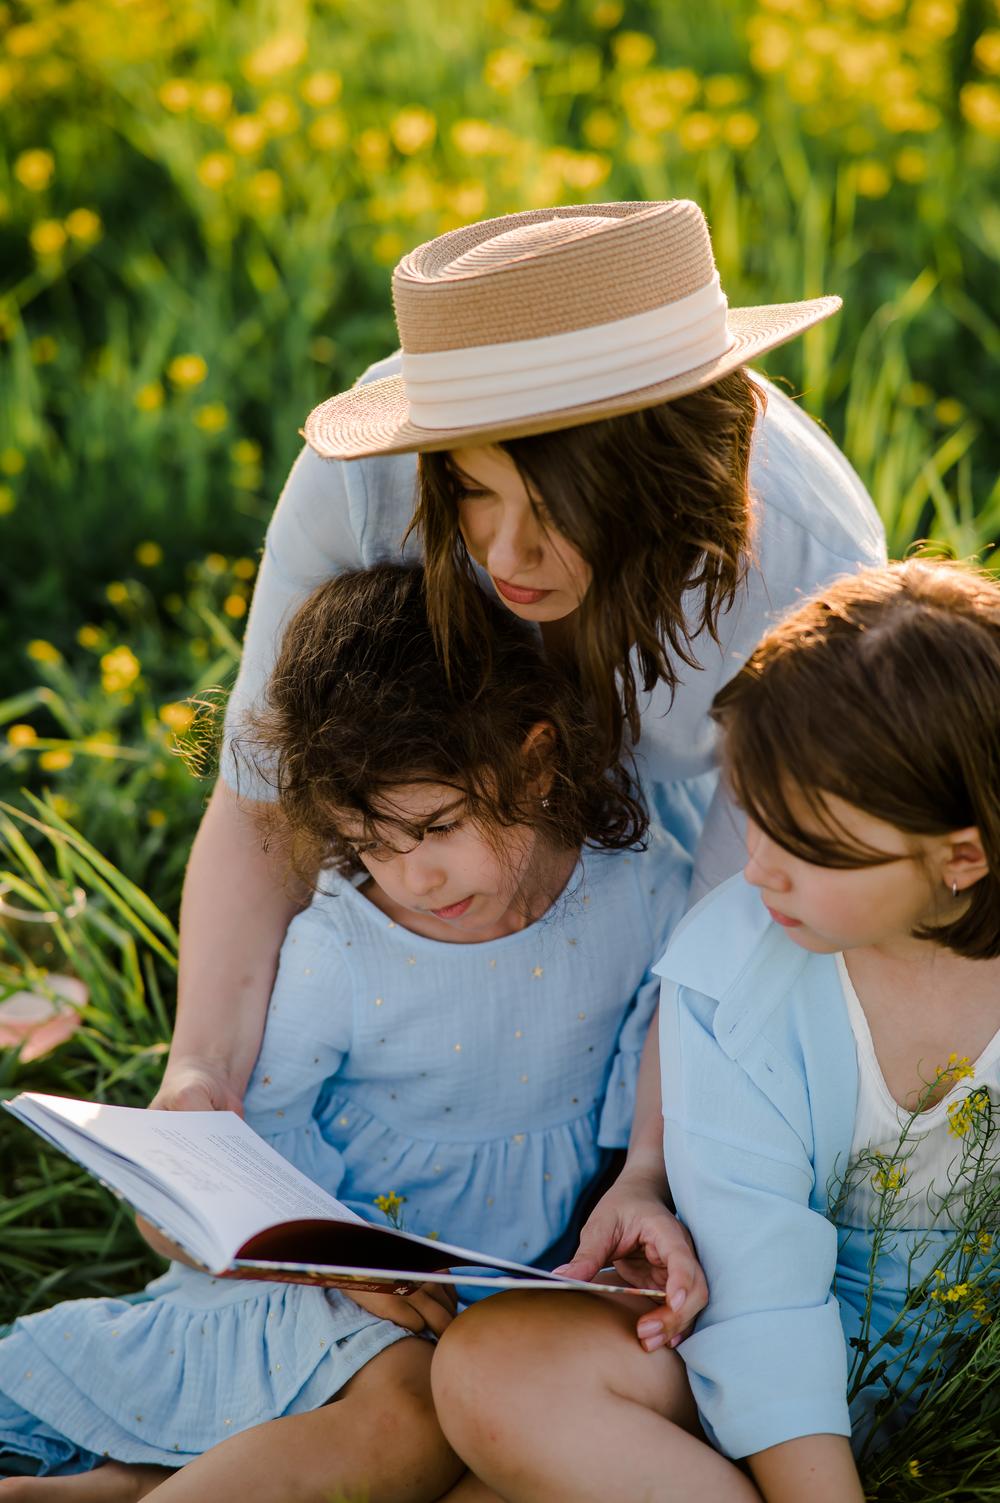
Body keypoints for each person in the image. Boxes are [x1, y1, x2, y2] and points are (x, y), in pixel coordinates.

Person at [156, 198, 885, 1346]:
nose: (504, 555)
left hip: (683, 854)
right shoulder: (359, 480)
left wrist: (645, 1174)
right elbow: (259, 805)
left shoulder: (807, 568)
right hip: (439, 820)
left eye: (555, 508)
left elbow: (731, 923)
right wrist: (201, 1076)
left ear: (668, 479)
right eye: (475, 491)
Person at [0, 563, 704, 1501]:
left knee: (466, 1421)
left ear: (535, 763)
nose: (412, 877)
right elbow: (262, 1147)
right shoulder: (345, 948)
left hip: (516, 1284)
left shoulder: (644, 891)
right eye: (370, 844)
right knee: (407, 1411)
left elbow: (642, 1086)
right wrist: (336, 1261)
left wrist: (627, 1201)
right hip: (334, 1277)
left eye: (437, 827)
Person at [431, 558, 1000, 1503]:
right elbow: (760, 1281)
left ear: (962, 857)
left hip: (971, 1375)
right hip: (756, 1348)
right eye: (753, 818)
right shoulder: (739, 965)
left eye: (810, 845)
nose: (762, 869)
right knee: (494, 1367)